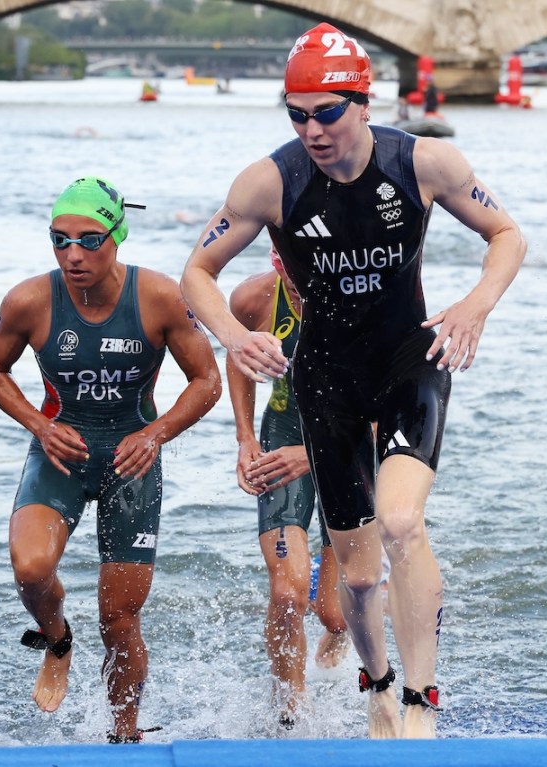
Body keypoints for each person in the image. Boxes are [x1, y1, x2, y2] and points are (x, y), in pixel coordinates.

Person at [180, 22, 526, 739]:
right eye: (297, 114)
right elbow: (196, 273)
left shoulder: (423, 164)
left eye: (327, 112)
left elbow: (508, 235)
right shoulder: (271, 183)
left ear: (363, 104)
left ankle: (422, 700)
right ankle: (377, 681)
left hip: (409, 362)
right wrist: (234, 334)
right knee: (359, 577)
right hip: (326, 378)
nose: (311, 129)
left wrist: (474, 306)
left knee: (402, 521)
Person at [0, 176, 221, 743]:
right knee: (31, 569)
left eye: (89, 240)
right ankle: (57, 639)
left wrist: (156, 435)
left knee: (119, 619)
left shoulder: (159, 297)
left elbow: (206, 380)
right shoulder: (29, 301)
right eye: (59, 240)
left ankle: (124, 736)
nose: (72, 255)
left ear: (118, 236)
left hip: (131, 462)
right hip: (59, 454)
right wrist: (39, 424)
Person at [228, 247, 349, 730]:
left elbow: (385, 413)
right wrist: (245, 437)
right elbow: (238, 358)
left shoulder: (364, 302)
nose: (300, 283)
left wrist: (314, 453)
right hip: (283, 441)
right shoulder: (254, 299)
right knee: (288, 593)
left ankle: (339, 633)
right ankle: (291, 706)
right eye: (289, 271)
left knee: (335, 614)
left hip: (349, 451)